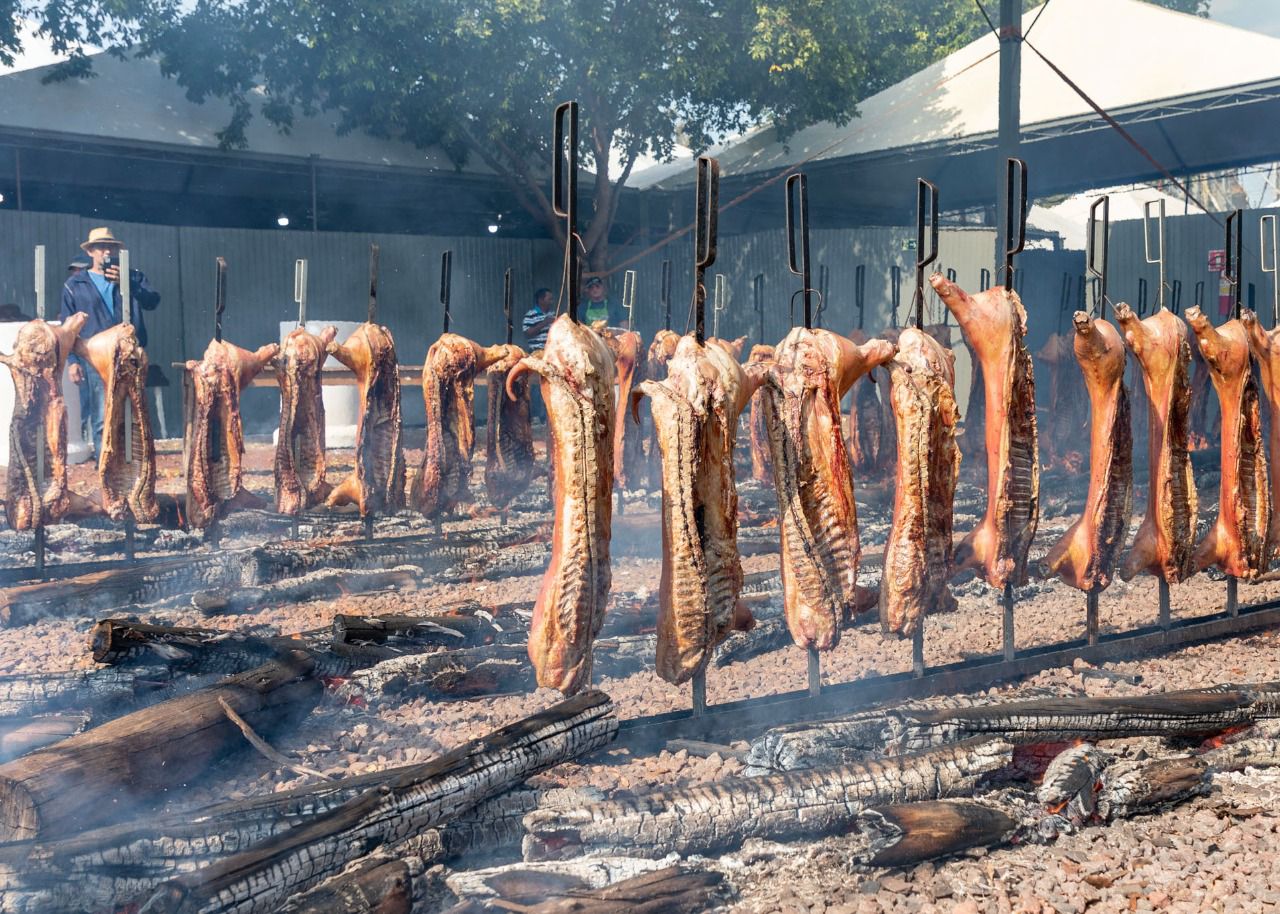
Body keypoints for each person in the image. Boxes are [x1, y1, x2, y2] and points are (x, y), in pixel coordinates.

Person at [59, 226, 161, 457]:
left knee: (135, 411)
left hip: (131, 354)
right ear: (90, 252)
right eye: (100, 247)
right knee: (103, 413)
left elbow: (153, 301)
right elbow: (68, 327)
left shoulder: (133, 276)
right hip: (96, 356)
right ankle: (104, 466)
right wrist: (73, 360)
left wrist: (128, 284)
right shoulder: (75, 285)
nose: (106, 251)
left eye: (110, 247)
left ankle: (133, 464)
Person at [522, 288, 555, 352]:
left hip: (551, 352)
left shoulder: (554, 314)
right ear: (541, 300)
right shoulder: (530, 315)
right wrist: (544, 323)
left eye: (552, 299)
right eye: (549, 299)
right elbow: (528, 334)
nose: (551, 302)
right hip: (536, 352)